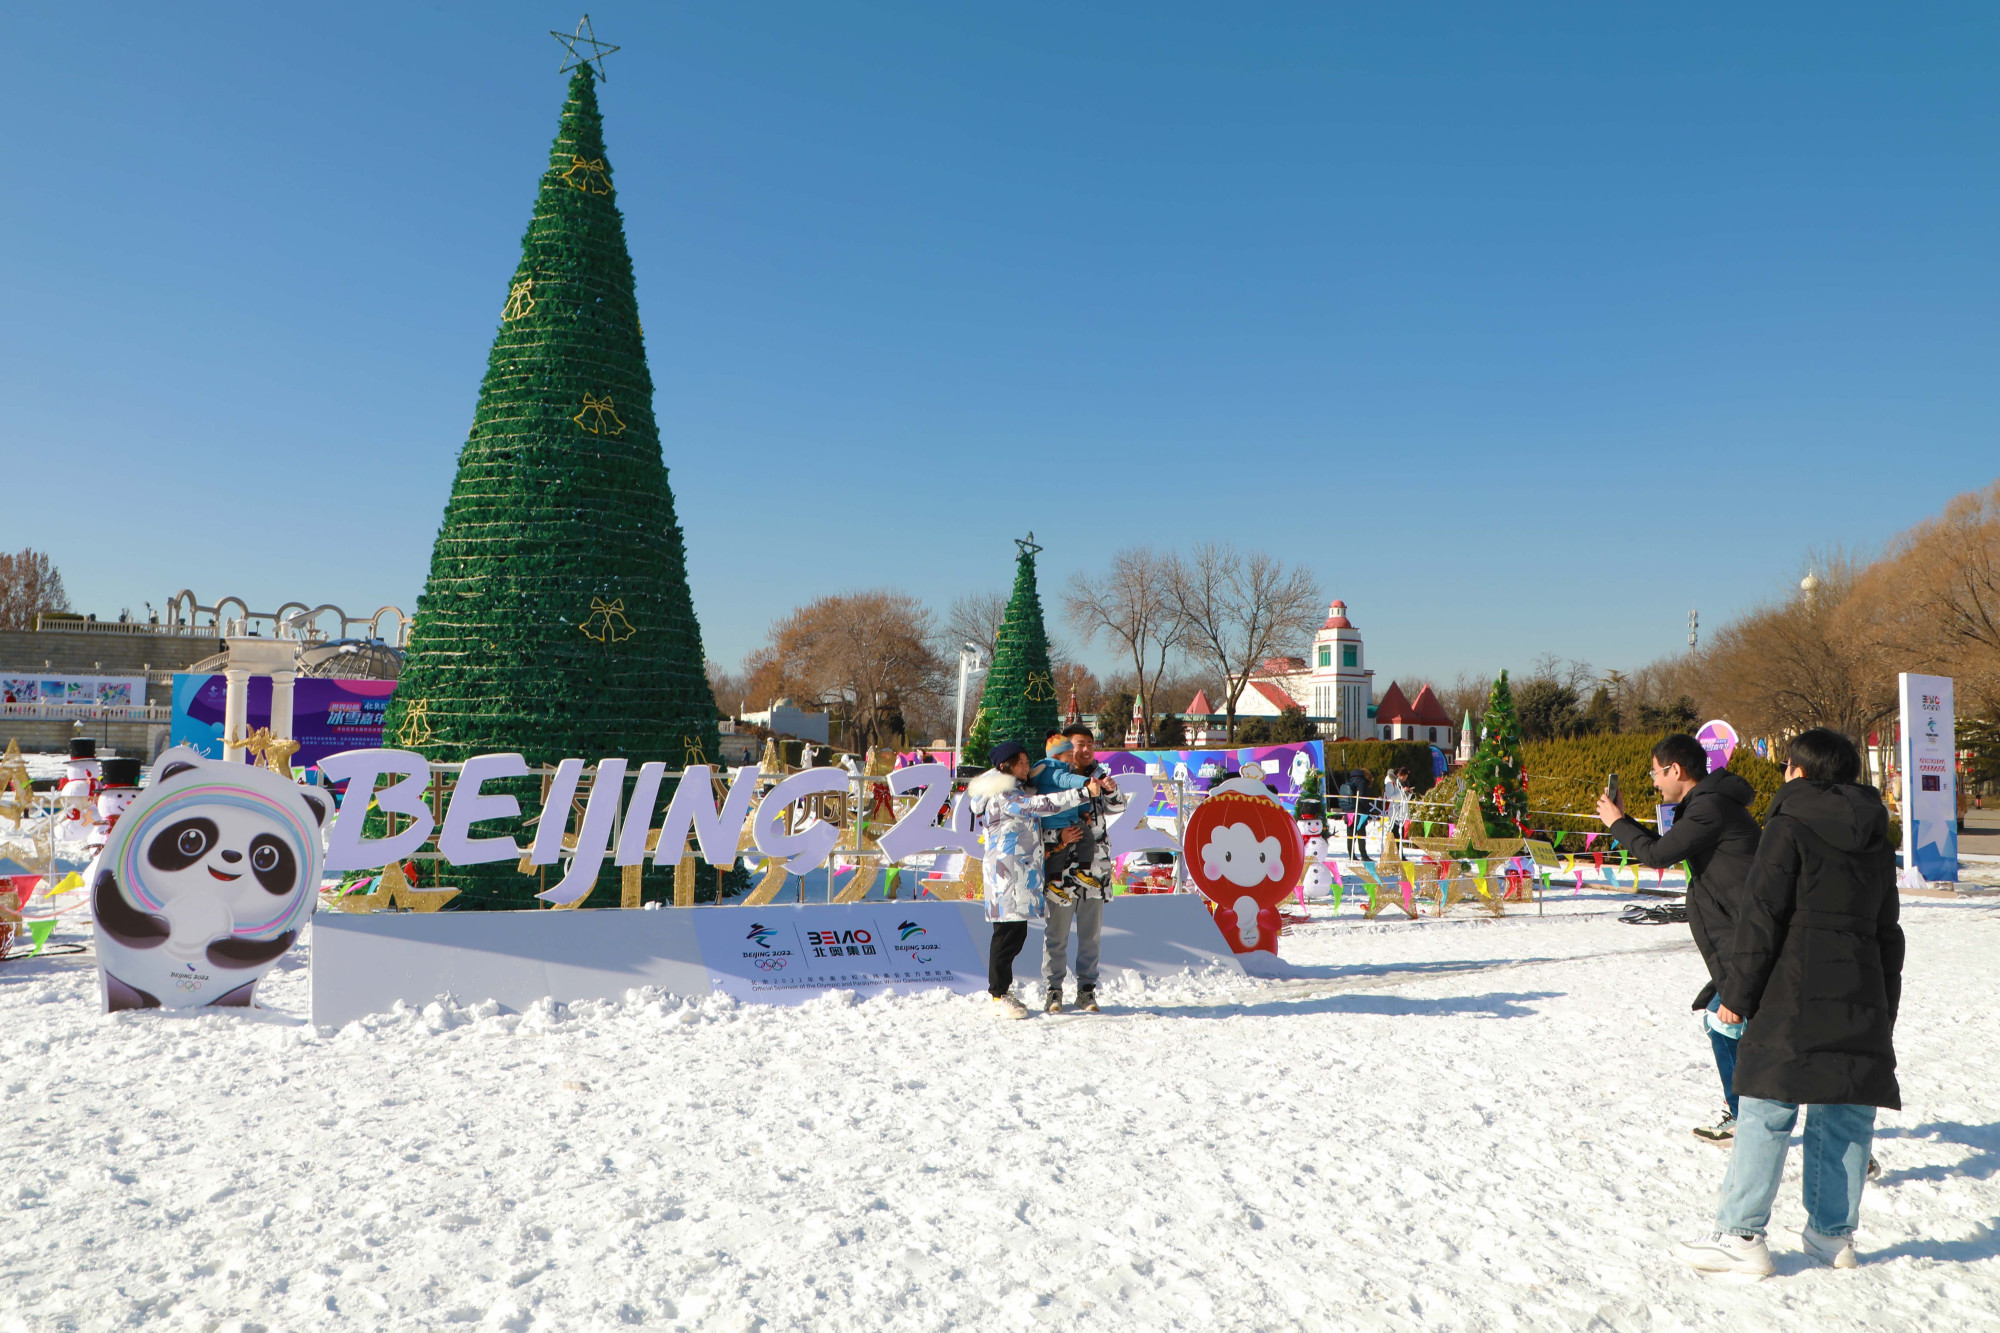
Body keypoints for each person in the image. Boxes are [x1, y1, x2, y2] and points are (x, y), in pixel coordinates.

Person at [1673, 728, 1904, 1278]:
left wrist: (1736, 993)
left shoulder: (1788, 823)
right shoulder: (1876, 833)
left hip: (1792, 989)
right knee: (1845, 1108)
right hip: (1859, 990)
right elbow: (1887, 929)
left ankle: (1740, 1236)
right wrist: (1884, 1005)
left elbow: (1762, 916)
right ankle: (1832, 1238)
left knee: (1767, 1108)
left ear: (1797, 772)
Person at [1597, 733, 1763, 1146]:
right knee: (1730, 1024)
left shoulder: (1708, 808)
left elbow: (1655, 856)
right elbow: (1661, 847)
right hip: (1741, 936)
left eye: (1655, 772)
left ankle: (1826, 1135)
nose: (1654, 781)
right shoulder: (1707, 805)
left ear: (1676, 770)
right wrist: (1624, 822)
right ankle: (1753, 1116)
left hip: (1749, 939)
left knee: (1745, 1028)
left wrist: (1615, 823)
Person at [965, 741, 1114, 1019]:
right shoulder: (1004, 796)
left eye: (1026, 761)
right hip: (1006, 876)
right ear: (1004, 766)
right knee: (1006, 936)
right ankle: (997, 994)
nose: (1025, 767)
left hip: (1018, 876)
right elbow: (1041, 804)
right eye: (1020, 762)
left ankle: (1001, 991)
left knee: (1014, 934)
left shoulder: (1015, 789)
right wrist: (1081, 792)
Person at [1041, 723, 1121, 1013]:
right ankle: (1053, 991)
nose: (1085, 749)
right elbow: (1039, 819)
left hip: (1093, 871)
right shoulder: (1050, 779)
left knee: (1091, 936)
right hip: (1061, 873)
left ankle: (1086, 991)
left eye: (1090, 743)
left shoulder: (1100, 777)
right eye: (1079, 743)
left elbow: (1118, 807)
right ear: (1066, 747)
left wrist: (1110, 790)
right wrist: (1057, 839)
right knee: (1056, 935)